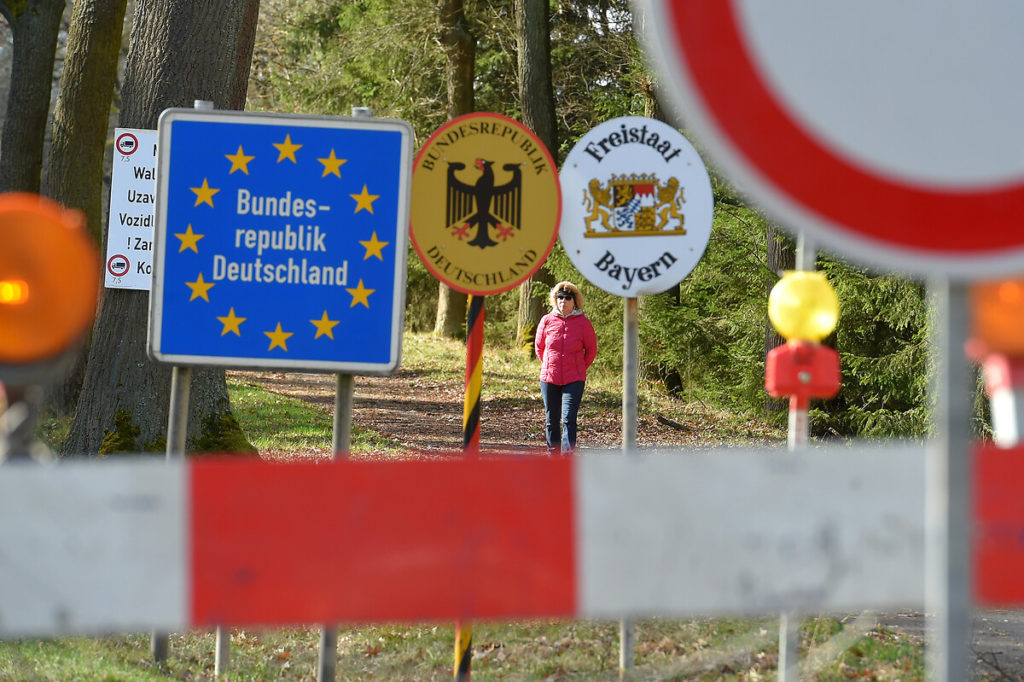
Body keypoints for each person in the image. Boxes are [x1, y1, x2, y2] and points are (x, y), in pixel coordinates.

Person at [534, 281, 598, 455]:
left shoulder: (583, 323)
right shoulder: (546, 320)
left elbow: (591, 349)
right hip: (549, 378)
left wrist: (579, 367)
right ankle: (552, 455)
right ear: (555, 300)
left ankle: (567, 455)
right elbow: (539, 347)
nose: (563, 301)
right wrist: (549, 364)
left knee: (569, 419)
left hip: (574, 379)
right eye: (559, 298)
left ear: (574, 301)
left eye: (567, 298)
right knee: (551, 419)